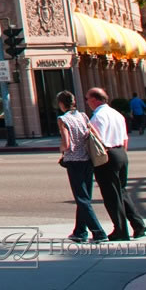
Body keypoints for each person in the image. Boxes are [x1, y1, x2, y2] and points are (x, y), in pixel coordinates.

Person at [85, 87, 146, 240]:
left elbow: (96, 140)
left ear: (95, 99)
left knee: (111, 195)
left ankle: (120, 230)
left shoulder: (98, 117)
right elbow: (125, 138)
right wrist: (122, 153)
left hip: (107, 155)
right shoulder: (116, 114)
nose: (87, 102)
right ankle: (138, 224)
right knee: (121, 191)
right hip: (121, 152)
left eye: (87, 99)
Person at [55, 91, 107, 243]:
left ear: (61, 104)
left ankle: (98, 232)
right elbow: (95, 133)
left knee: (81, 198)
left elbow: (67, 143)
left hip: (74, 161)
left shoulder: (63, 119)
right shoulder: (83, 116)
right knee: (85, 197)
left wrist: (61, 150)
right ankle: (80, 231)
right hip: (87, 159)